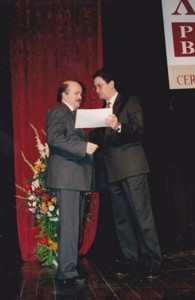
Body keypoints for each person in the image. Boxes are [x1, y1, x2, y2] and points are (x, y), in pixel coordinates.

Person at [90, 69, 162, 279]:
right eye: (95, 87)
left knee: (142, 215)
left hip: (132, 167)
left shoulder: (130, 101)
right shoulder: (102, 110)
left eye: (99, 86)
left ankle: (153, 261)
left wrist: (119, 125)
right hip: (112, 170)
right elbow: (101, 139)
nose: (97, 90)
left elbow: (138, 129)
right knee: (122, 220)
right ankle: (131, 260)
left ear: (111, 83)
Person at [45, 80, 98, 287]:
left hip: (74, 178)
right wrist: (82, 147)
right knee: (69, 226)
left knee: (73, 226)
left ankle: (69, 269)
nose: (80, 97)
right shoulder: (59, 112)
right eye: (76, 93)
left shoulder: (73, 115)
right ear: (63, 95)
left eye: (81, 94)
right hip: (67, 177)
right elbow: (54, 138)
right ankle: (67, 273)